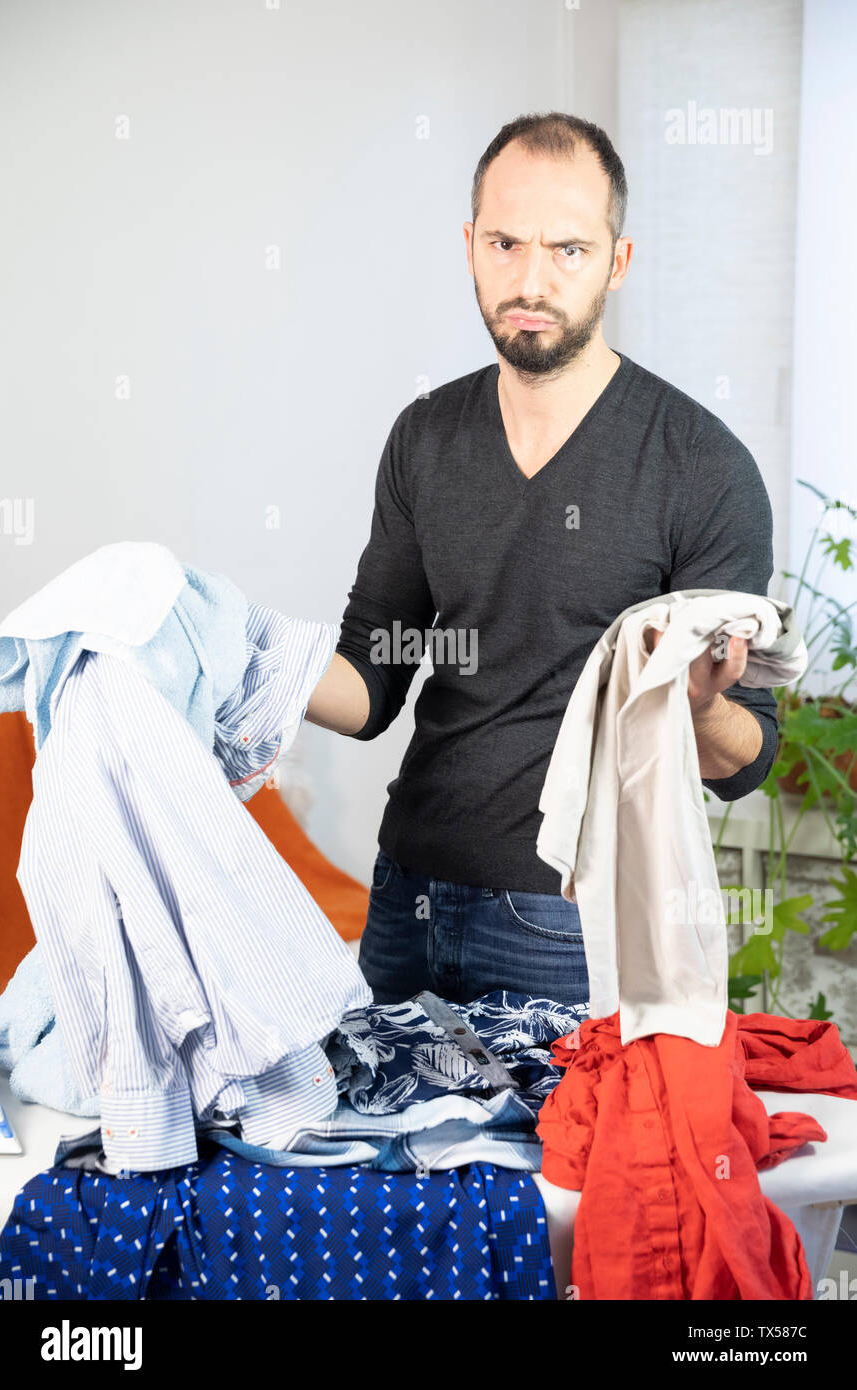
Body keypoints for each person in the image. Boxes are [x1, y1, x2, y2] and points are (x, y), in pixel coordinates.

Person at [304, 111, 777, 1007]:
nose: (531, 279)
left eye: (568, 250)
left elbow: (745, 759)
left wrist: (698, 704)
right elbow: (372, 682)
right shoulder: (426, 437)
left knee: (559, 1154)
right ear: (470, 246)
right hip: (408, 895)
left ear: (618, 262)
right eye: (506, 243)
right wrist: (235, 655)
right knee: (377, 1149)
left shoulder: (701, 466)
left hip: (568, 918)